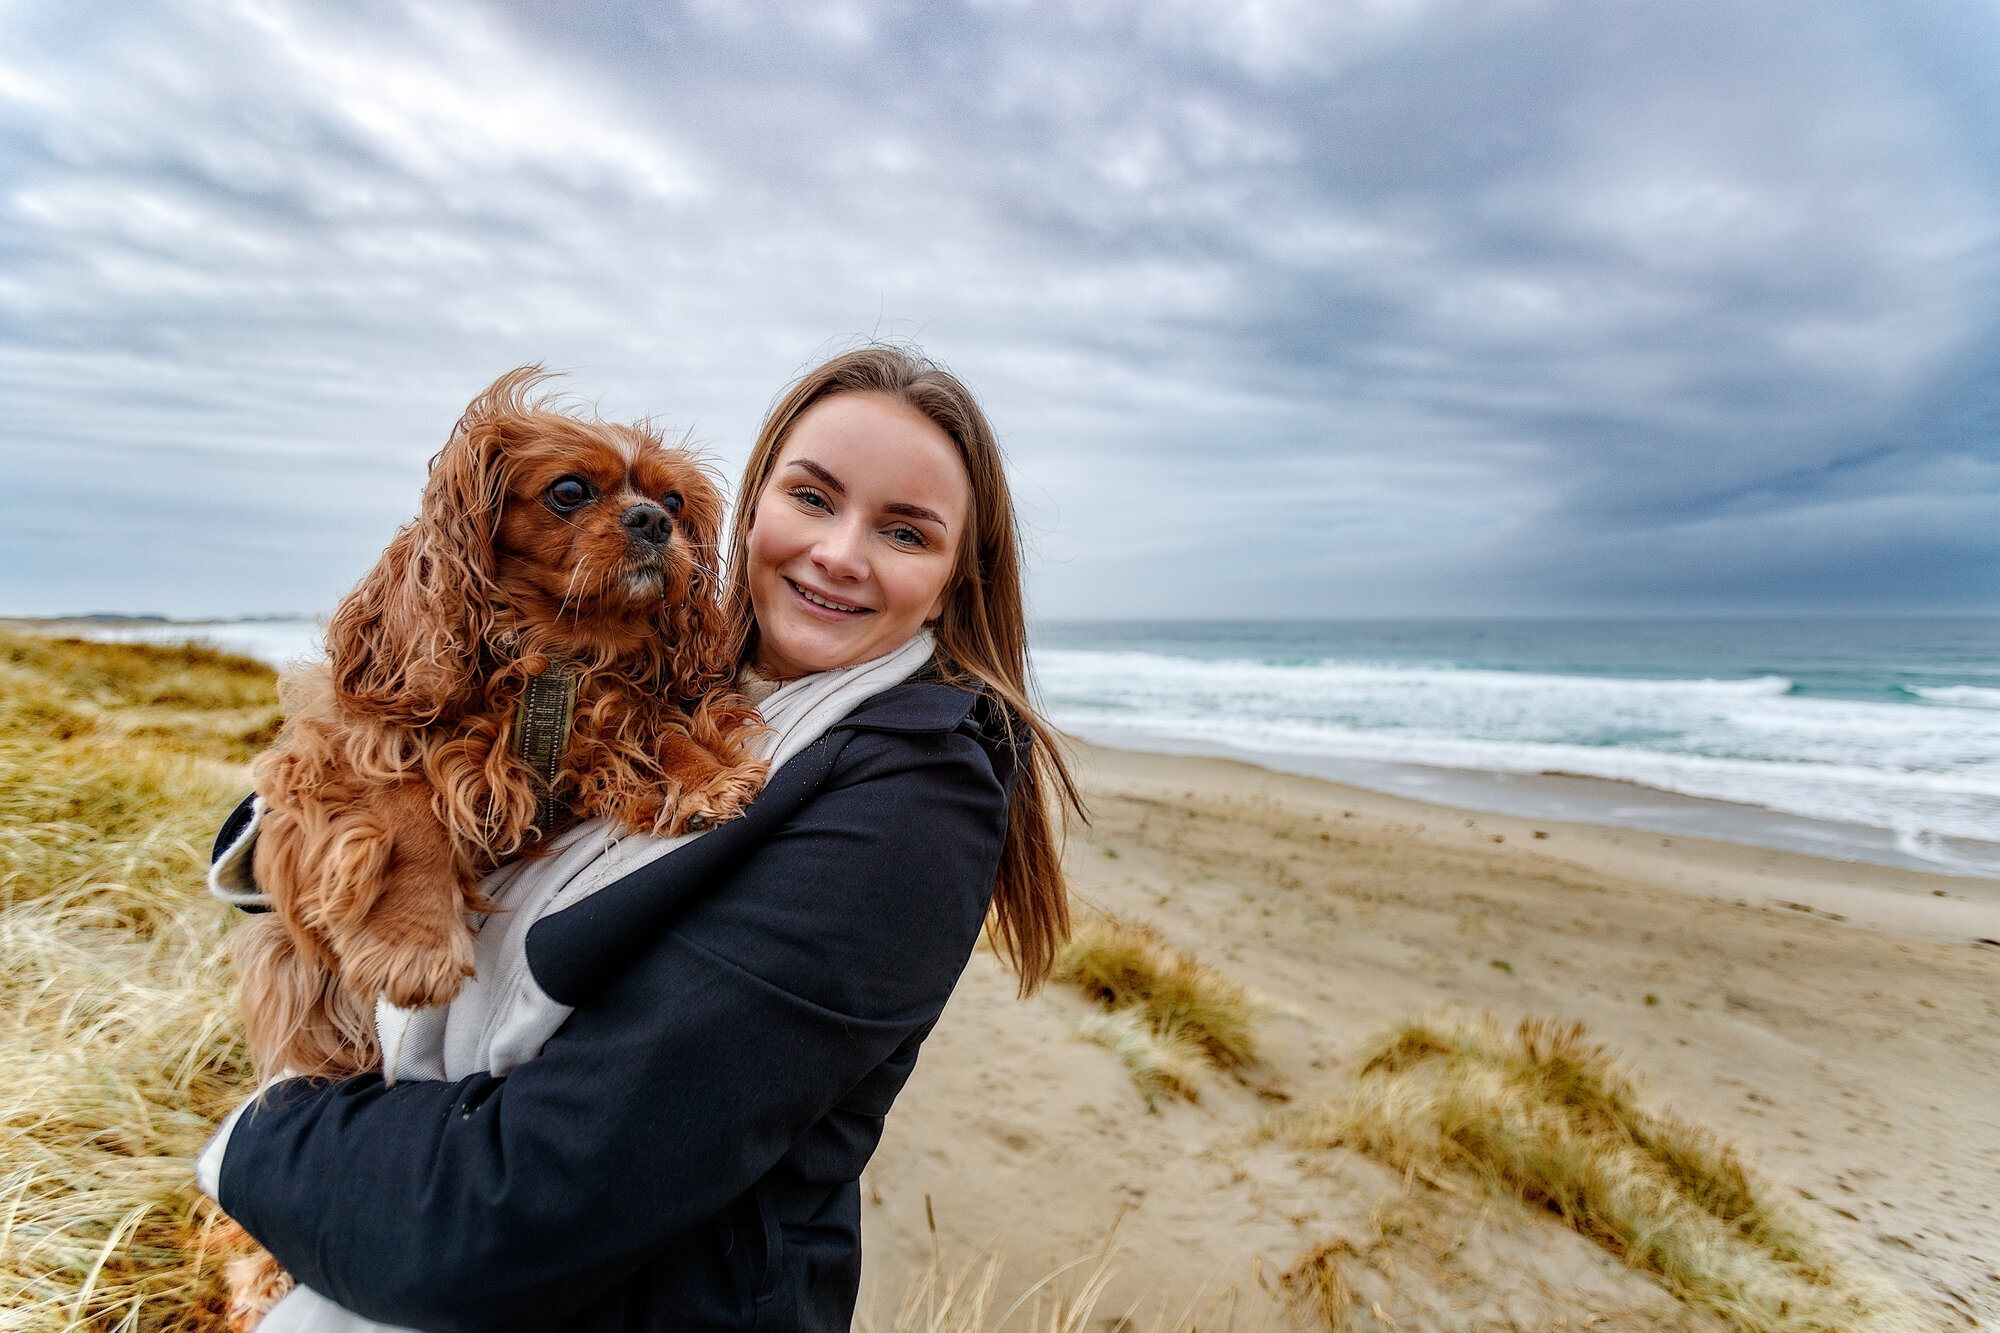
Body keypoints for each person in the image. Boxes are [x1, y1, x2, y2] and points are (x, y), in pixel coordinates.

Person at [198, 346, 1083, 1333]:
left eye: (905, 531)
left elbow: (525, 1204)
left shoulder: (911, 801)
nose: (838, 552)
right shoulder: (683, 687)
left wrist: (252, 1142)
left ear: (961, 577)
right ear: (754, 514)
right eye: (812, 497)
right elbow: (326, 784)